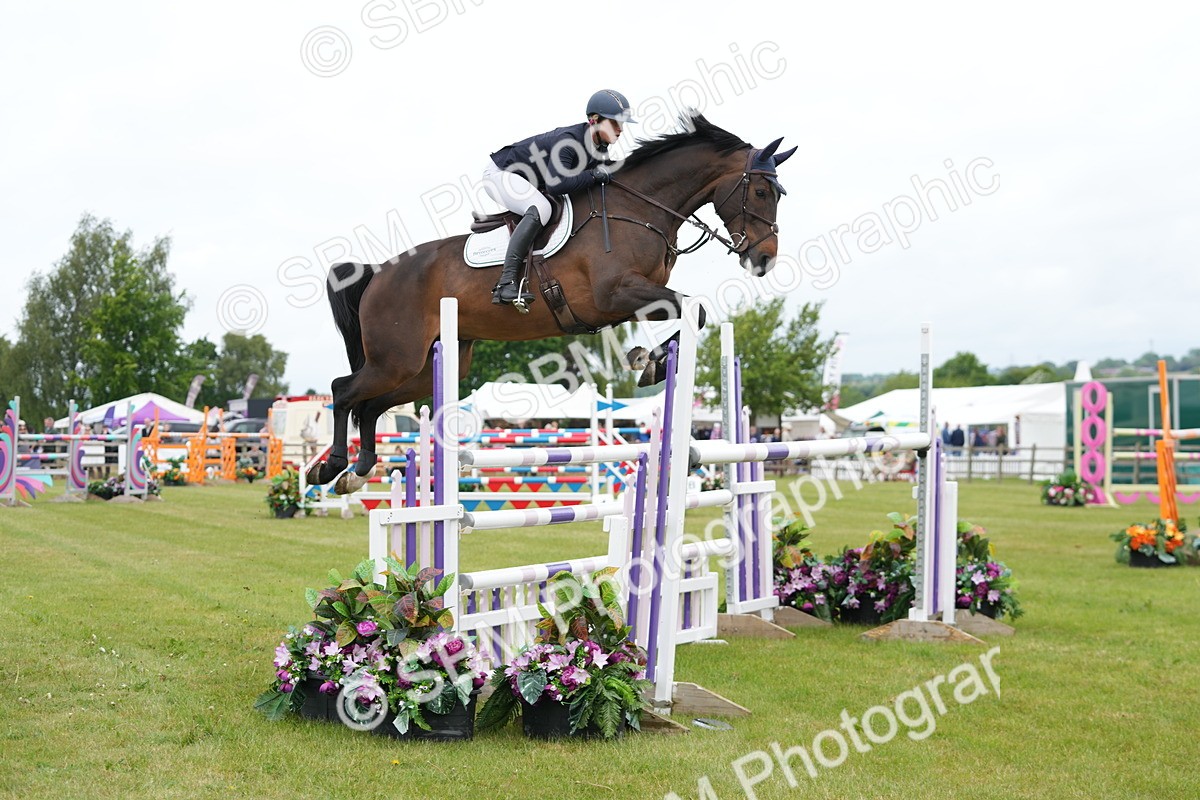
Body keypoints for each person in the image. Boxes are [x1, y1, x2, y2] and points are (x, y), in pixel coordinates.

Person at [484, 89, 636, 308]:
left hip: (528, 180)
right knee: (542, 208)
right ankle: (505, 282)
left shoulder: (598, 147)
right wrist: (593, 174)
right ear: (594, 120)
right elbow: (558, 185)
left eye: (622, 124)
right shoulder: (568, 141)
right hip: (501, 175)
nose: (620, 129)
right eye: (614, 123)